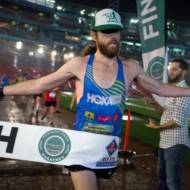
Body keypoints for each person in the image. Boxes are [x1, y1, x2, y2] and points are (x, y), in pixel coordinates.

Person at [1, 8, 190, 190]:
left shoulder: (130, 67)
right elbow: (40, 84)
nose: (113, 36)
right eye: (107, 32)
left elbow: (160, 88)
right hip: (81, 145)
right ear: (94, 35)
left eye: (116, 31)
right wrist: (2, 90)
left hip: (107, 148)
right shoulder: (80, 65)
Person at [145, 59, 190, 190]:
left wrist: (156, 127)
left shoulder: (184, 92)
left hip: (176, 143)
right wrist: (153, 102)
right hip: (165, 142)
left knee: (172, 182)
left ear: (184, 72)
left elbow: (177, 122)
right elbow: (164, 112)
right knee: (161, 177)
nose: (170, 72)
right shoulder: (173, 90)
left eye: (175, 69)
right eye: (170, 68)